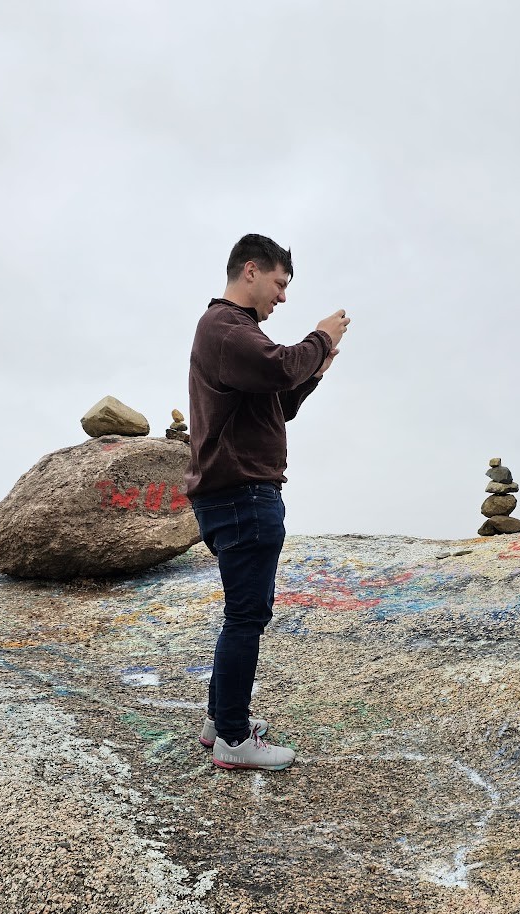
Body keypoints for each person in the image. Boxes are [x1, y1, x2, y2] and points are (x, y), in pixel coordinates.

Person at [185, 234, 351, 770]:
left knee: (241, 613)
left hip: (233, 493)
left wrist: (314, 372)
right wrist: (320, 339)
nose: (282, 296)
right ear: (251, 270)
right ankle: (234, 739)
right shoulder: (227, 327)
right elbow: (280, 366)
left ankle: (220, 722)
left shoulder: (231, 333)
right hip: (242, 494)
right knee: (246, 615)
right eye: (279, 283)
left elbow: (279, 402)